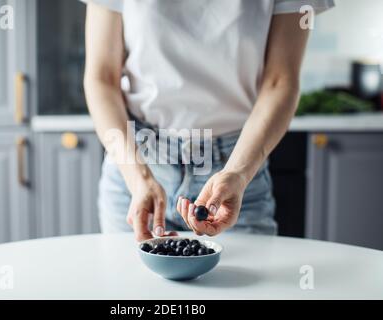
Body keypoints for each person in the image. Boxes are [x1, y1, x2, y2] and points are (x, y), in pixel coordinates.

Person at [83, 0, 334, 241]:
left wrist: (237, 173)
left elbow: (281, 81)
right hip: (137, 163)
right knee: (130, 285)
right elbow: (101, 78)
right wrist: (138, 178)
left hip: (235, 170)